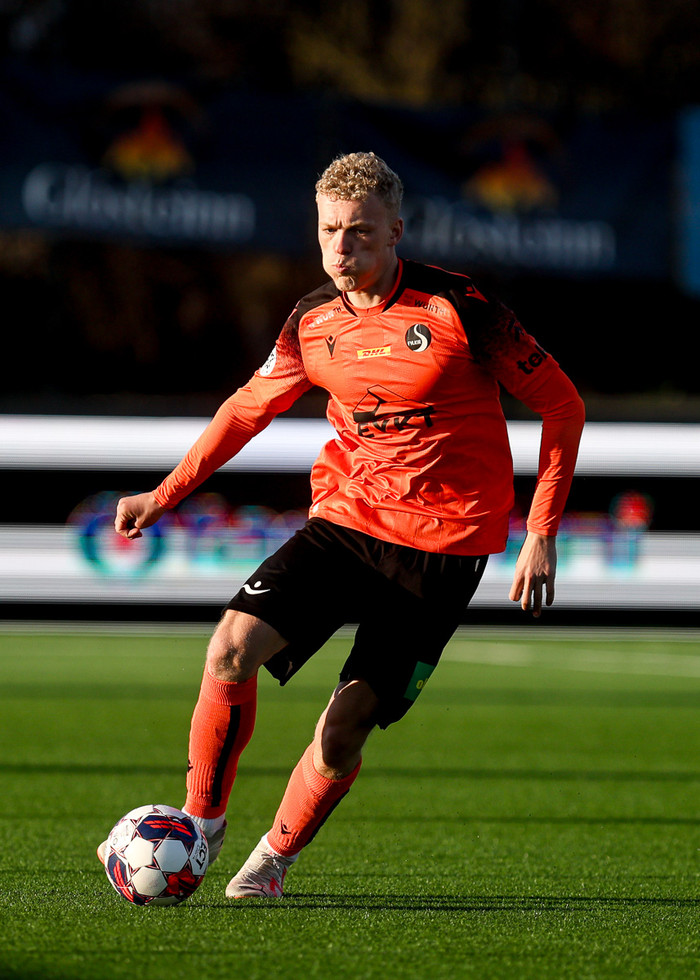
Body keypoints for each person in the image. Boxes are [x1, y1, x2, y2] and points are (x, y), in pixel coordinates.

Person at [100, 151, 585, 899]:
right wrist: (163, 496)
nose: (341, 247)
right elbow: (245, 410)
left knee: (344, 727)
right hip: (349, 520)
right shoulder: (311, 321)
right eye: (329, 230)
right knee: (230, 649)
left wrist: (542, 531)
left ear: (395, 231)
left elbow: (563, 405)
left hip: (445, 545)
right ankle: (200, 823)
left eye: (359, 231)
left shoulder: (460, 308)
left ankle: (270, 863)